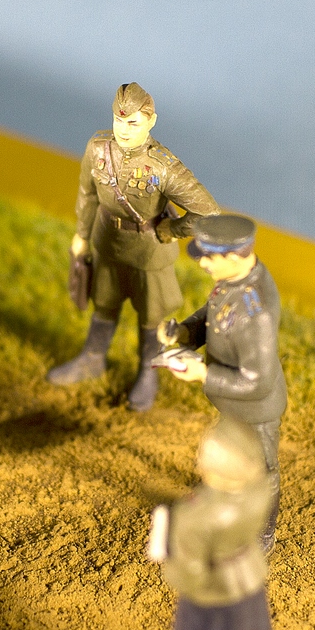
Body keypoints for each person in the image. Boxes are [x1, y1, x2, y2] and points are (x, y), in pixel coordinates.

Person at [47, 82, 220, 411]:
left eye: (133, 123)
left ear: (150, 121)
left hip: (149, 253)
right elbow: (87, 194)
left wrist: (172, 229)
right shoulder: (98, 148)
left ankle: (147, 372)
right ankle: (92, 358)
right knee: (104, 303)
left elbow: (208, 212)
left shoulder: (163, 166)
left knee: (152, 316)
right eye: (118, 120)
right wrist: (81, 235)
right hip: (108, 244)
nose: (124, 130)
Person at [146, 416, 275, 630]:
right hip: (247, 581)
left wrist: (167, 544)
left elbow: (189, 575)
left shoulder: (196, 517)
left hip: (211, 596)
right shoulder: (260, 490)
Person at [162, 213, 287, 550]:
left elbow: (257, 382)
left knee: (262, 471)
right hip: (231, 400)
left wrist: (203, 373)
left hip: (255, 410)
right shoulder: (233, 279)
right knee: (229, 456)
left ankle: (262, 533)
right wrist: (185, 332)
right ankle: (226, 501)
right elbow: (213, 312)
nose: (203, 264)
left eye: (209, 258)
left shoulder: (256, 312)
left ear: (233, 257)